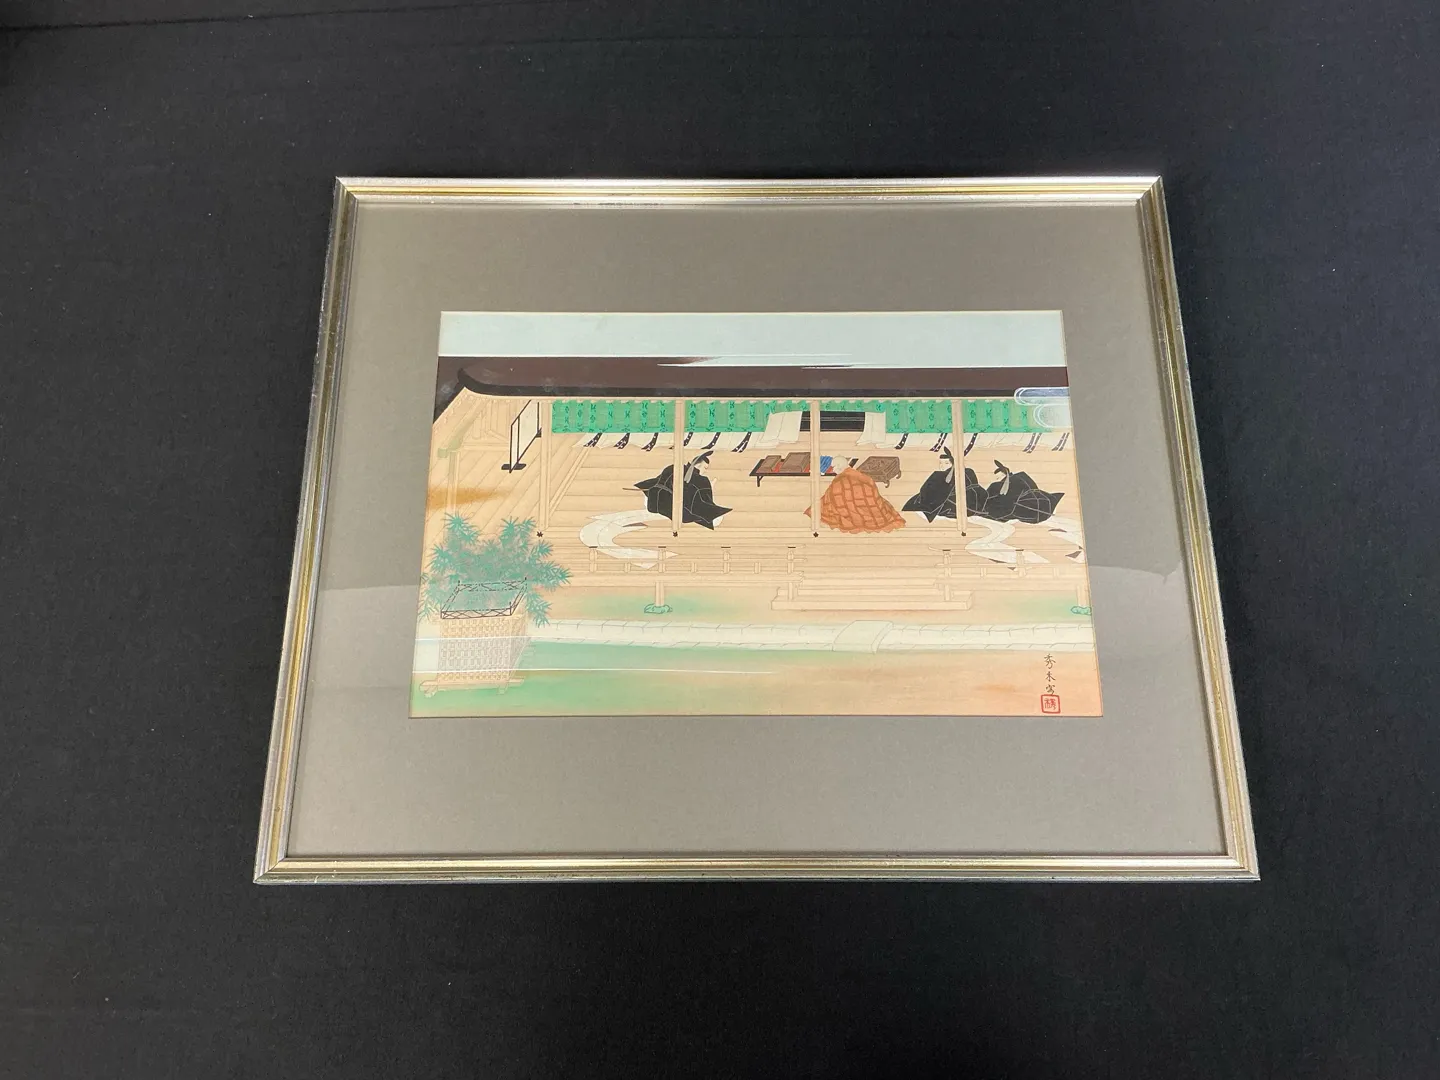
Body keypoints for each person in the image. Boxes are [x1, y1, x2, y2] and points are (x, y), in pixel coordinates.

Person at [632, 451, 732, 529]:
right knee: (715, 518)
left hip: (653, 502)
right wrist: (710, 487)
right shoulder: (700, 480)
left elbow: (656, 481)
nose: (705, 471)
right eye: (705, 468)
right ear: (698, 465)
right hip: (671, 507)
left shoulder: (673, 467)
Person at [807, 458, 906, 533]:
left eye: (834, 467)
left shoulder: (840, 480)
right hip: (872, 507)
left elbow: (834, 496)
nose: (833, 470)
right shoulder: (861, 475)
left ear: (840, 466)